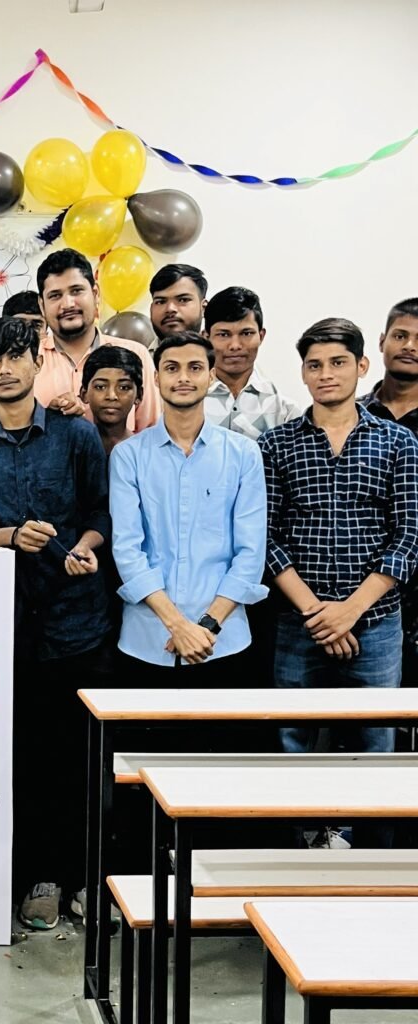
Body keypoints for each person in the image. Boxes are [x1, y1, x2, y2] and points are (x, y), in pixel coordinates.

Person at [0, 316, 111, 931]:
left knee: (81, 758)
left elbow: (101, 513)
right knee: (24, 757)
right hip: (2, 624)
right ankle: (39, 877)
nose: (5, 370)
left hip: (78, 620)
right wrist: (10, 537)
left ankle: (85, 875)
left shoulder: (76, 435)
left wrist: (85, 546)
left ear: (37, 363)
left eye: (16, 357)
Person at [259, 318, 418, 756]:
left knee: (376, 744)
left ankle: (368, 812)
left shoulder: (399, 443)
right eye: (314, 365)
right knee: (291, 743)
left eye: (338, 362)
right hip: (299, 622)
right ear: (303, 372)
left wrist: (350, 611)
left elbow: (409, 538)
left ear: (362, 366)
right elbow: (266, 539)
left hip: (376, 622)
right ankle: (301, 813)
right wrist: (318, 615)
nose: (325, 374)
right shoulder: (275, 445)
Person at [110, 331, 267, 684]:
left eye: (194, 367)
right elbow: (127, 550)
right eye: (172, 368)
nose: (183, 377)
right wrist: (178, 625)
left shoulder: (243, 454)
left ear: (211, 375)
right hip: (146, 641)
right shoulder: (128, 456)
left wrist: (206, 625)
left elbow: (251, 552)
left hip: (223, 642)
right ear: (156, 378)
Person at [32, 248, 158, 432]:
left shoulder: (136, 355)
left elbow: (151, 434)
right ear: (42, 306)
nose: (68, 304)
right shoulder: (28, 361)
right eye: (55, 296)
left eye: (76, 291)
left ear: (96, 294)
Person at [361, 298, 418, 684]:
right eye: (400, 335)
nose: (409, 346)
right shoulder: (350, 414)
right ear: (382, 341)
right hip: (362, 593)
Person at [204, 286, 300, 439]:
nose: (235, 345)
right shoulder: (186, 400)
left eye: (246, 333)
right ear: (205, 337)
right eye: (224, 334)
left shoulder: (285, 412)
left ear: (261, 336)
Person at [79, 345, 143, 457]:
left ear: (139, 395)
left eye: (124, 387)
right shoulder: (72, 450)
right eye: (100, 387)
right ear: (84, 394)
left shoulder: (145, 453)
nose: (112, 396)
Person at [149, 263, 207, 344]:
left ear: (204, 308)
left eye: (183, 300)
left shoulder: (220, 351)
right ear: (151, 309)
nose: (170, 309)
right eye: (161, 302)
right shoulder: (136, 351)